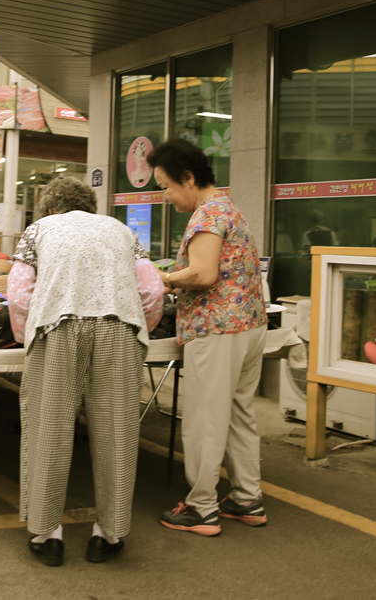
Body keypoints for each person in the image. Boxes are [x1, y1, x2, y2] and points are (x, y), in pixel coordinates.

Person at [7, 176, 163, 566]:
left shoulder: (38, 230)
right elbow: (152, 290)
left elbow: (19, 291)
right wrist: (140, 324)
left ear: (48, 208)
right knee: (117, 430)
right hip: (118, 328)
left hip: (57, 327)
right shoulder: (123, 231)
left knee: (49, 427)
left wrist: (25, 333)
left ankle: (47, 534)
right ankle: (108, 535)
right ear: (92, 208)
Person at [148, 138, 267, 536]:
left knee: (205, 419)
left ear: (188, 178)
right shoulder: (229, 208)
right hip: (248, 326)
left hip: (218, 329)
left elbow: (202, 273)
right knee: (237, 415)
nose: (165, 195)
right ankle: (247, 498)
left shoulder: (208, 214)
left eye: (165, 185)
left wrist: (161, 279)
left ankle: (201, 507)